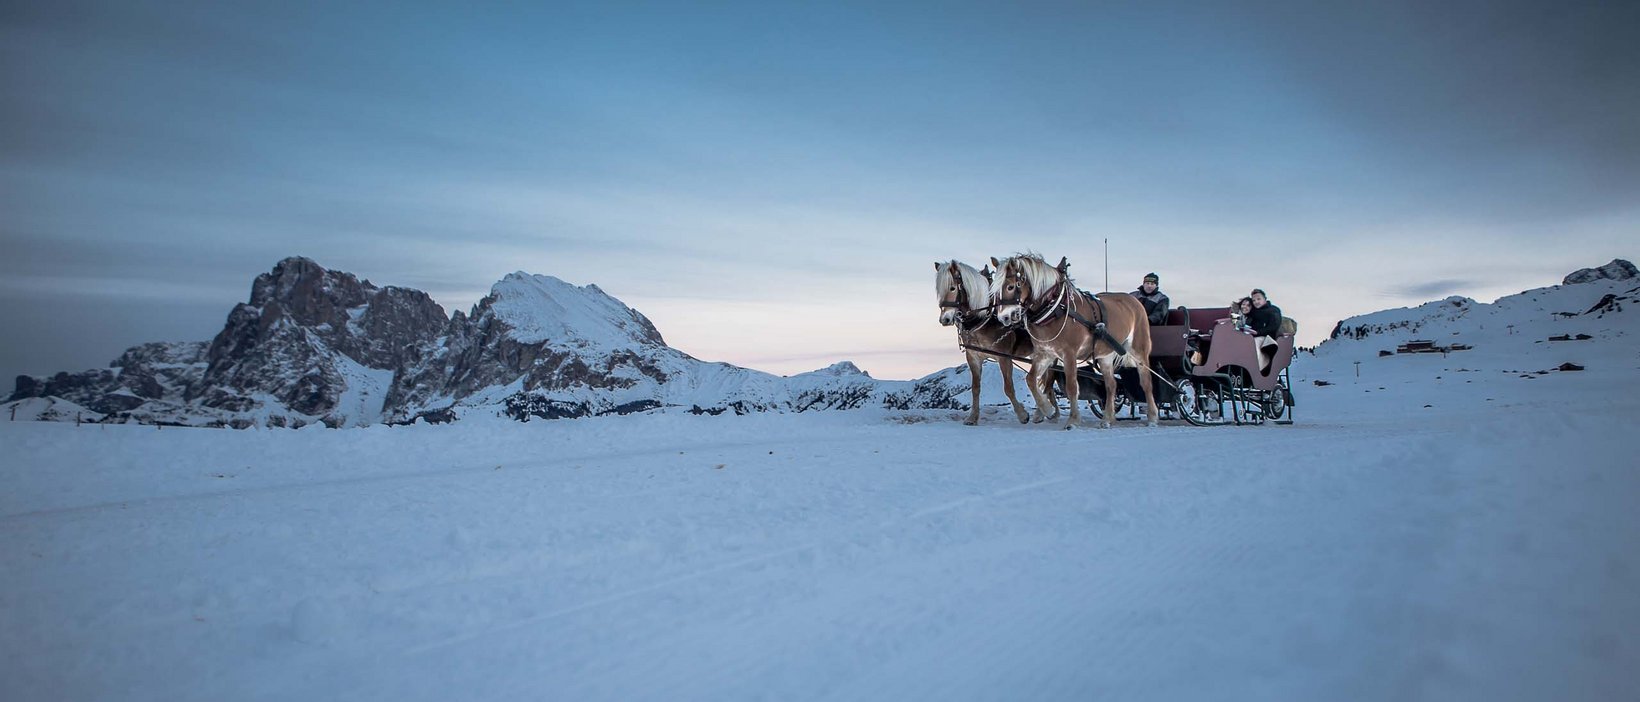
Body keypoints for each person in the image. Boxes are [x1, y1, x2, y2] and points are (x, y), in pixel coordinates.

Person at [1246, 289, 1283, 371]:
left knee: (1255, 344)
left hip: (1267, 337)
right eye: (1254, 300)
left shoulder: (1273, 310)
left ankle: (1257, 368)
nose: (1256, 302)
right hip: (1251, 335)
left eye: (1259, 299)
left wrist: (1258, 332)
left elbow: (1274, 326)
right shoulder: (1252, 312)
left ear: (1265, 299)